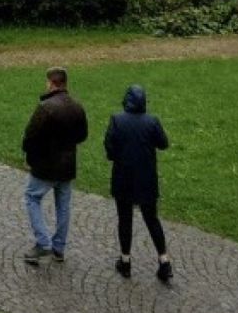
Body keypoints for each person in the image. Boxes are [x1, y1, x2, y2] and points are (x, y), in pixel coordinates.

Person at [105, 85, 173, 282]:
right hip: (146, 179)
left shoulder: (117, 120)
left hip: (123, 177)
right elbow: (164, 143)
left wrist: (118, 156)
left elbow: (109, 148)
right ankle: (164, 261)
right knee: (152, 219)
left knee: (125, 219)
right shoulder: (152, 122)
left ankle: (125, 261)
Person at [21, 67, 89, 265]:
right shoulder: (77, 107)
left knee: (32, 197)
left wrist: (29, 155)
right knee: (63, 206)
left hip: (46, 165)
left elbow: (31, 135)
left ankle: (43, 242)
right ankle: (59, 248)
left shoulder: (46, 107)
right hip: (67, 165)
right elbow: (82, 135)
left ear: (51, 83)